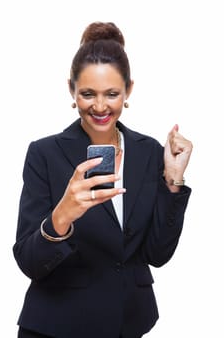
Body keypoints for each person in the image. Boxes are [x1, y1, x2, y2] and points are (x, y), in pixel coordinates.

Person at [13, 22, 193, 338]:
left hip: (127, 324)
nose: (99, 107)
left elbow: (157, 255)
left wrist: (173, 179)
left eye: (111, 94)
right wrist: (62, 215)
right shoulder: (44, 153)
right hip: (55, 327)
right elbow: (30, 262)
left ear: (128, 91)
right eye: (87, 94)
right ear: (71, 90)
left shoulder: (150, 151)